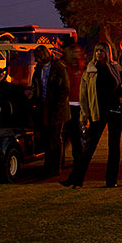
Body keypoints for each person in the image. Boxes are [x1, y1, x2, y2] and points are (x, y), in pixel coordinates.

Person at [66, 44, 122, 188]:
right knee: (89, 147)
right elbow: (83, 95)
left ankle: (111, 180)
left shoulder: (115, 68)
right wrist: (84, 116)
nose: (99, 53)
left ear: (107, 53)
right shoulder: (90, 71)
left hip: (116, 110)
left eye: (102, 51)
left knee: (114, 147)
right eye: (97, 51)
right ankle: (77, 180)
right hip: (98, 112)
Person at [41, 46, 74, 175]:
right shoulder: (40, 69)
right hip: (46, 107)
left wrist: (59, 104)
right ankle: (49, 164)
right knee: (48, 137)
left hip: (57, 108)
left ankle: (56, 167)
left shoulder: (58, 68)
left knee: (56, 137)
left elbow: (65, 88)